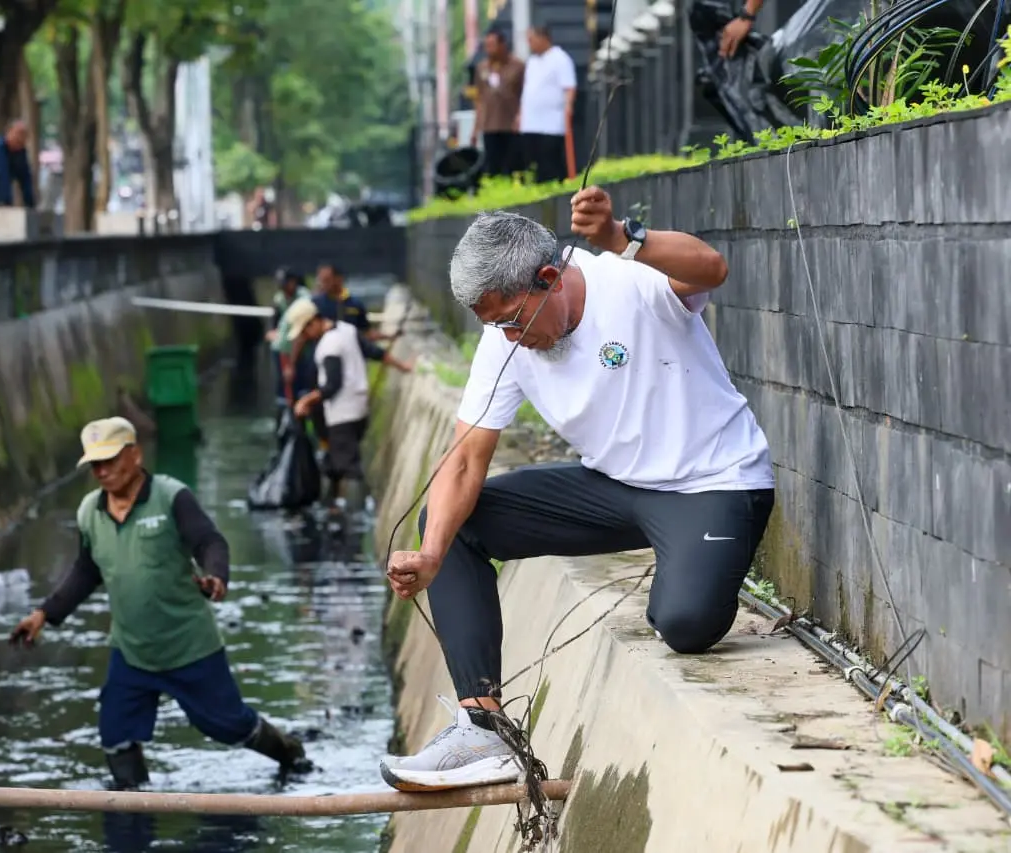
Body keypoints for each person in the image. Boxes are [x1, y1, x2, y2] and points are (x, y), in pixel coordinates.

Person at [378, 190, 775, 792]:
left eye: (512, 319)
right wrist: (431, 555)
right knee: (451, 518)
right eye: (493, 326)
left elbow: (711, 268)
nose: (509, 337)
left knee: (685, 623)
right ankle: (483, 729)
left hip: (712, 484)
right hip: (613, 487)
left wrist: (622, 237)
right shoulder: (503, 343)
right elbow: (464, 461)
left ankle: (689, 566)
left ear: (548, 278)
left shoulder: (630, 282)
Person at [10, 417, 313, 790]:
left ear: (135, 455)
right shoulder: (90, 511)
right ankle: (136, 808)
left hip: (189, 646)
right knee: (115, 734)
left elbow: (209, 541)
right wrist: (45, 613)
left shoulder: (170, 497)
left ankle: (289, 753)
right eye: (95, 465)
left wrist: (216, 576)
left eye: (109, 460)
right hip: (132, 650)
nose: (101, 471)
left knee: (229, 725)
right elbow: (87, 570)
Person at [285, 298, 414, 505]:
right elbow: (374, 352)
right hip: (359, 410)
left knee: (348, 465)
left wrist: (306, 401)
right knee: (335, 462)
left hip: (342, 415)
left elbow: (332, 386)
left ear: (313, 322)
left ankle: (357, 516)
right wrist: (403, 366)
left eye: (305, 331)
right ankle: (336, 505)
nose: (306, 337)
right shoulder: (347, 330)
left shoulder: (329, 346)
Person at [518, 25, 577, 184]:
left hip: (551, 122)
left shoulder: (560, 58)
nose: (529, 44)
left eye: (532, 40)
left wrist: (569, 106)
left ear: (543, 38)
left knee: (550, 162)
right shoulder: (531, 61)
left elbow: (569, 87)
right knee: (532, 164)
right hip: (530, 123)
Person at [470, 27, 525, 178]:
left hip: (511, 125)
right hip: (490, 125)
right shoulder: (482, 68)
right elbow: (479, 99)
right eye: (487, 46)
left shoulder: (518, 66)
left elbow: (524, 95)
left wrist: (520, 116)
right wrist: (476, 128)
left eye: (492, 45)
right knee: (493, 167)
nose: (489, 50)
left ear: (502, 45)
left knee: (512, 167)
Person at [265, 268, 313, 404]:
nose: (283, 288)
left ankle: (302, 410)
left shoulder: (304, 299)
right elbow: (274, 319)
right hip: (282, 348)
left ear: (293, 282)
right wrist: (272, 332)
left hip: (301, 348)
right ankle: (285, 412)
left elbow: (303, 331)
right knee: (283, 386)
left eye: (285, 284)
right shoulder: (279, 298)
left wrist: (291, 364)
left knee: (301, 383)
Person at [0, 119, 37, 208]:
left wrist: (31, 205)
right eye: (18, 133)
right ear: (9, 132)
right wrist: (5, 202)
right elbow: (1, 175)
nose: (21, 138)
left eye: (24, 135)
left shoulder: (21, 153)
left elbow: (25, 179)